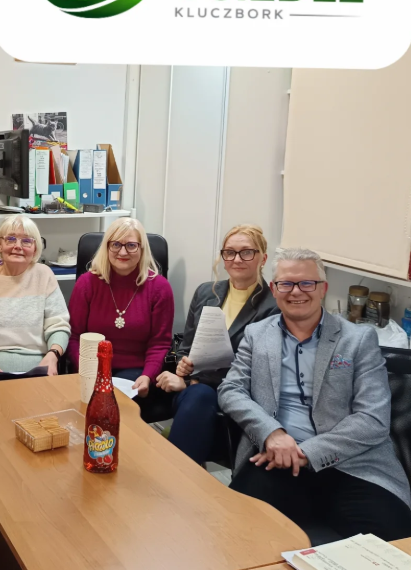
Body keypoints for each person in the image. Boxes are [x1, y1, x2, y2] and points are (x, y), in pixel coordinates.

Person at [218, 247, 411, 542]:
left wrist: (308, 452)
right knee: (234, 535)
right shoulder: (257, 335)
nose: (296, 291)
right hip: (276, 460)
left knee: (393, 547)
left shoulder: (358, 339)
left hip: (353, 464)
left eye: (307, 283)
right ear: (274, 289)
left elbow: (373, 419)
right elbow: (231, 389)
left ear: (323, 289)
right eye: (286, 283)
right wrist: (271, 433)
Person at [155, 224, 279, 464]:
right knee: (197, 396)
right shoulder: (206, 293)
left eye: (246, 252)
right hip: (195, 388)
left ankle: (176, 472)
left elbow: (259, 371)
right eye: (229, 252)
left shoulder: (273, 306)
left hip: (239, 393)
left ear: (263, 259)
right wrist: (183, 365)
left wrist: (191, 381)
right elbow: (186, 347)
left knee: (199, 396)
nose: (237, 259)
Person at [67, 218, 174, 421]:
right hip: (92, 370)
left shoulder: (159, 288)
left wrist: (147, 376)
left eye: (131, 245)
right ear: (106, 247)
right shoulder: (87, 283)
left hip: (136, 374)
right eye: (116, 244)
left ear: (142, 249)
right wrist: (87, 370)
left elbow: (159, 344)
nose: (123, 252)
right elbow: (74, 336)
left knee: (111, 408)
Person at [0, 215, 70, 382]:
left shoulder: (44, 275)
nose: (18, 246)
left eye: (26, 241)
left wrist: (53, 356)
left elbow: (59, 326)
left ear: (35, 248)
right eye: (11, 239)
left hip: (38, 375)